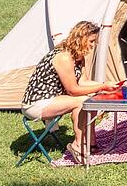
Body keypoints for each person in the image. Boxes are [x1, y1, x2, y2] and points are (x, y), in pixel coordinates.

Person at [21, 20, 117, 159]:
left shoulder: (79, 56)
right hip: (37, 103)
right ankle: (78, 145)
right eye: (91, 41)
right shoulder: (64, 57)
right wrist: (102, 86)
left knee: (91, 98)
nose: (92, 45)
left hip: (55, 98)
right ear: (81, 38)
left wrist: (106, 86)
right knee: (83, 101)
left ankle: (91, 144)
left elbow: (83, 82)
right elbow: (73, 90)